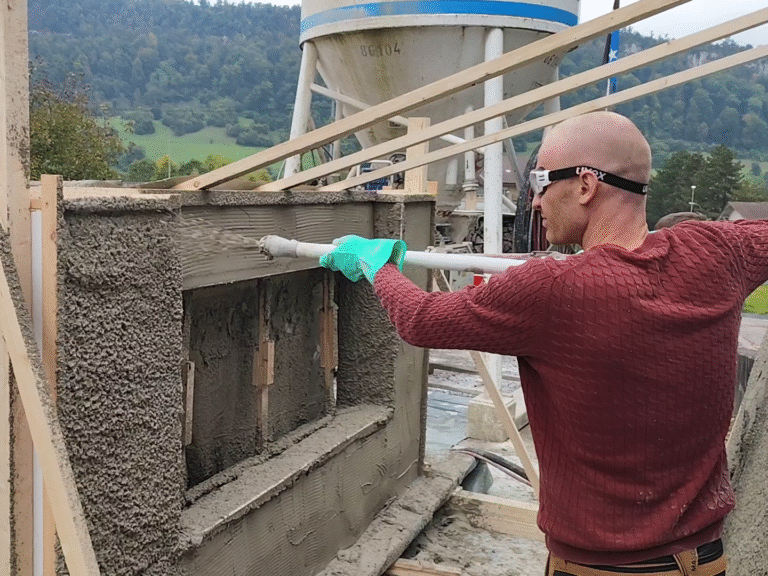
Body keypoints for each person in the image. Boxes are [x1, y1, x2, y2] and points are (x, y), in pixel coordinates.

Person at [320, 111, 768, 576]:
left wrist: (377, 267)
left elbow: (420, 319)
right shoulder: (717, 251)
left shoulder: (553, 290)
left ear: (585, 186)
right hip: (708, 560)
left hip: (605, 569)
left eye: (541, 182)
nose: (534, 201)